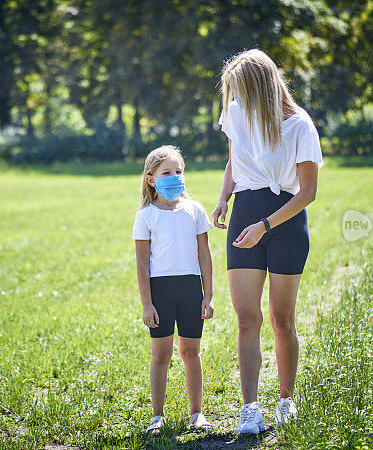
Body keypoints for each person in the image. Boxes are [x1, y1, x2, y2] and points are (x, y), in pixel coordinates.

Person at [212, 49, 323, 434]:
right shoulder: (236, 113)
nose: (235, 100)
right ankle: (249, 408)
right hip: (245, 214)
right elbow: (235, 159)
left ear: (259, 86)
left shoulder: (300, 126)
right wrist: (224, 198)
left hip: (286, 221)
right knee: (247, 318)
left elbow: (307, 192)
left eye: (239, 91)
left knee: (280, 320)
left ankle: (286, 399)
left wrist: (265, 224)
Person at [132, 145, 215, 434]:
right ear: (151, 179)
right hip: (161, 293)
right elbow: (142, 265)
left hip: (191, 290)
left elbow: (205, 255)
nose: (174, 176)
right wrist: (147, 304)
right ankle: (157, 416)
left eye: (178, 171)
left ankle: (197, 414)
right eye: (166, 172)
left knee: (191, 352)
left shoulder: (195, 211)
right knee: (161, 355)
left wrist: (208, 295)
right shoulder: (145, 216)